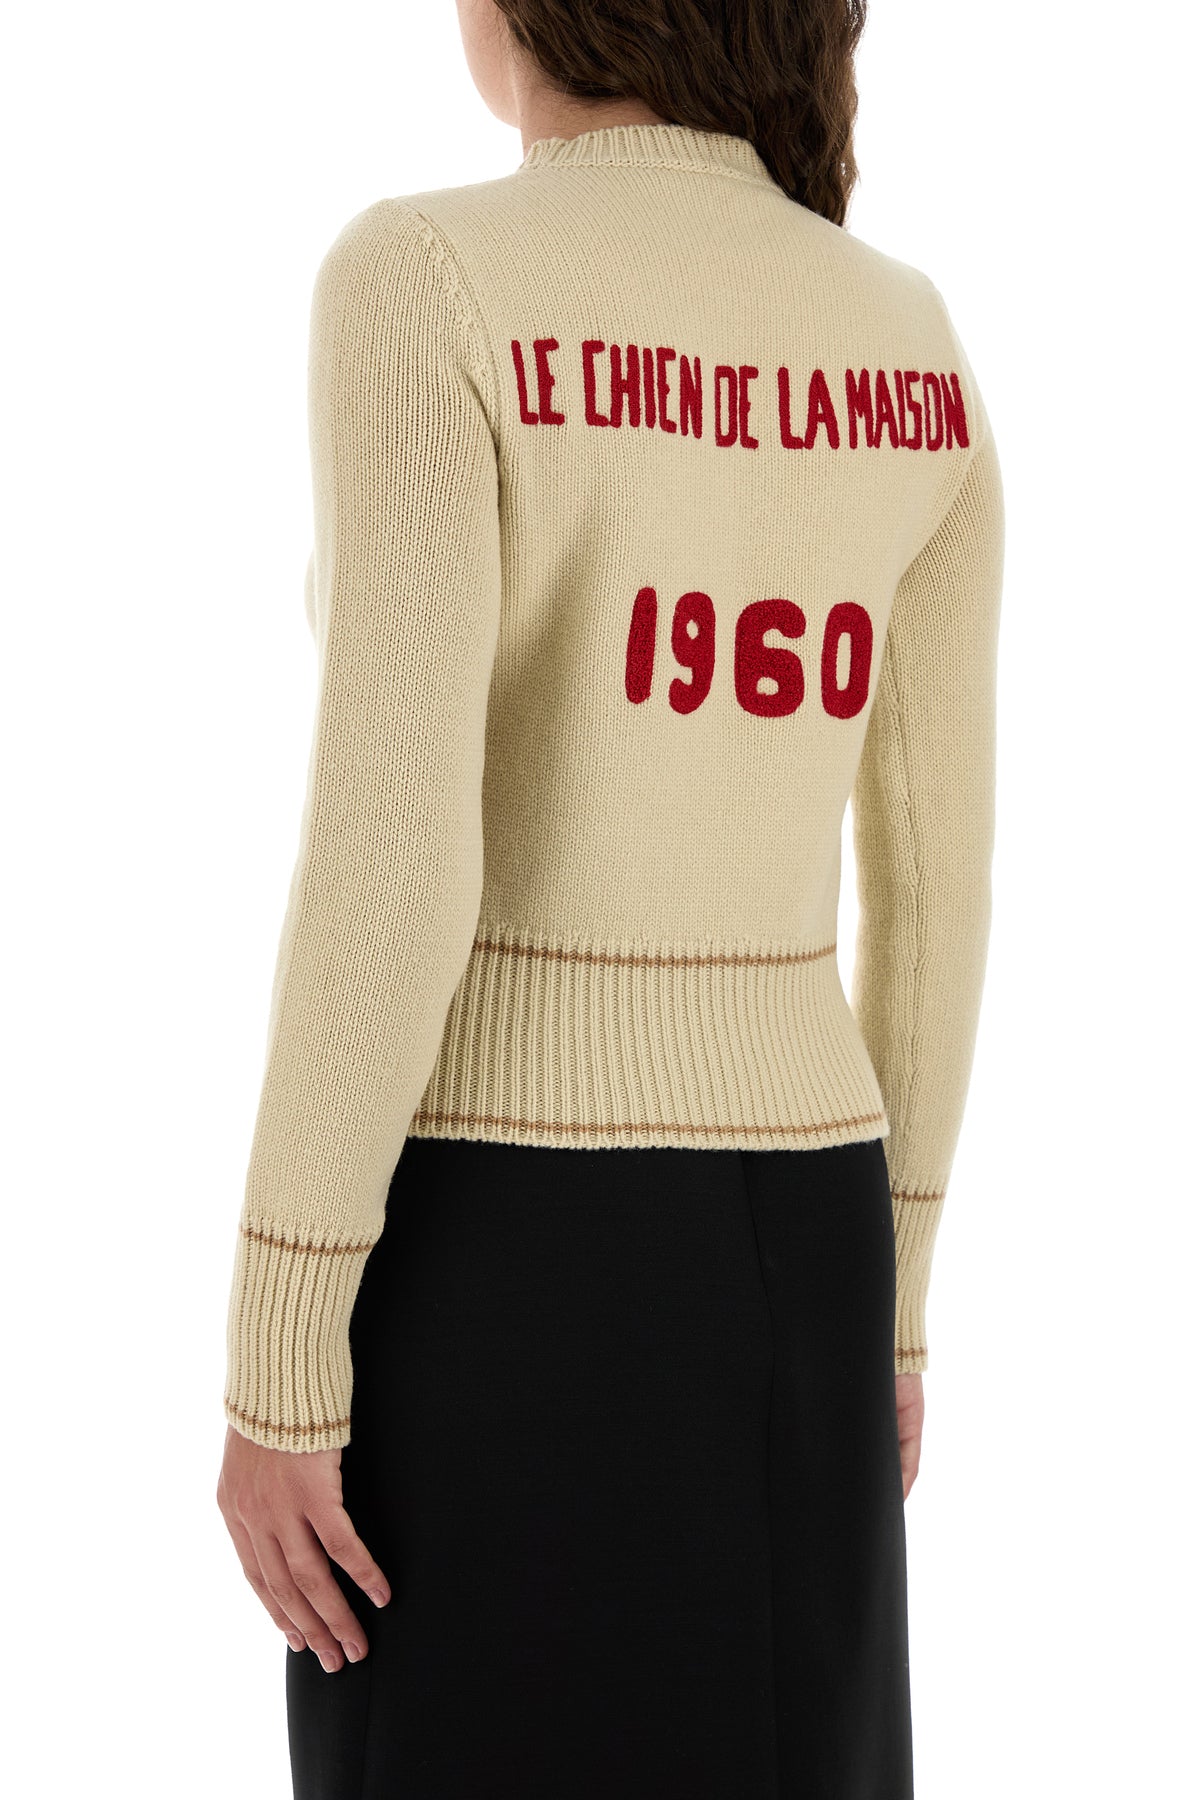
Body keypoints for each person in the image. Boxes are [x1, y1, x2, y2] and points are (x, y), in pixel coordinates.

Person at [215, 0, 1004, 1793]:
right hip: (808, 1236)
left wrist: (281, 1347)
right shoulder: (910, 342)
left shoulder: (426, 282)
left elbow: (392, 850)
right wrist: (893, 1299)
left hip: (497, 1243)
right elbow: (937, 879)